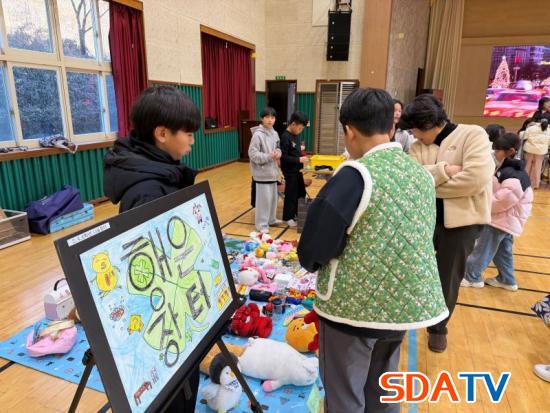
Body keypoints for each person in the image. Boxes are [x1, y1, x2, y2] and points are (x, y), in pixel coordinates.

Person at [298, 88, 448, 413]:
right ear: (391, 126)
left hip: (353, 311)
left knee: (344, 395)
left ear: (350, 131)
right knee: (381, 390)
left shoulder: (355, 175)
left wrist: (311, 261)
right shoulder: (420, 175)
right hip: (401, 308)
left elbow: (316, 246)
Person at [103, 85, 201, 412]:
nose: (192, 140)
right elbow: (146, 273)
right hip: (163, 324)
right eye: (188, 133)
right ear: (161, 134)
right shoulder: (147, 192)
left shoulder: (162, 173)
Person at [402, 94, 493, 353]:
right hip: (425, 220)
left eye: (416, 130)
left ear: (429, 125)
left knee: (448, 278)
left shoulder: (472, 135)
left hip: (462, 225)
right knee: (412, 271)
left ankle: (438, 328)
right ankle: (408, 315)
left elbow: (475, 180)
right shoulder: (418, 147)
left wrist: (429, 181)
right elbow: (411, 180)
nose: (414, 136)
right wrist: (446, 170)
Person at [461, 133, 533, 291]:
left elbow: (503, 200)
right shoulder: (509, 169)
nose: (495, 153)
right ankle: (507, 280)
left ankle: (472, 277)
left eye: (498, 150)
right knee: (503, 251)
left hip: (500, 220)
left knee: (483, 249)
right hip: (506, 220)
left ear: (510, 151)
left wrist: (482, 205)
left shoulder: (513, 173)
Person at [248, 107, 282, 233]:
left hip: (273, 173)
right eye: (267, 117)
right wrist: (268, 156)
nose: (270, 120)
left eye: (272, 117)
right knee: (264, 201)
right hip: (262, 174)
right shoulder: (257, 135)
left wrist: (278, 153)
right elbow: (253, 154)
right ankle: (261, 225)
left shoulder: (275, 133)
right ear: (262, 119)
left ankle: (271, 219)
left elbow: (278, 147)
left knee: (273, 199)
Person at [280, 111, 309, 227]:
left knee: (301, 192)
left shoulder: (295, 135)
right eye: (300, 128)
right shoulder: (285, 137)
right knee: (291, 193)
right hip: (289, 171)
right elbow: (283, 157)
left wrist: (301, 153)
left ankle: (298, 214)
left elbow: (295, 150)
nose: (300, 131)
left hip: (298, 170)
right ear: (293, 124)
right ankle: (288, 217)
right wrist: (299, 159)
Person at [522, 113, 550, 189]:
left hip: (529, 149)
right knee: (538, 167)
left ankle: (524, 183)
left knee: (527, 166)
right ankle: (535, 184)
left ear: (539, 120)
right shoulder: (549, 130)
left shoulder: (531, 128)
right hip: (541, 151)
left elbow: (524, 137)